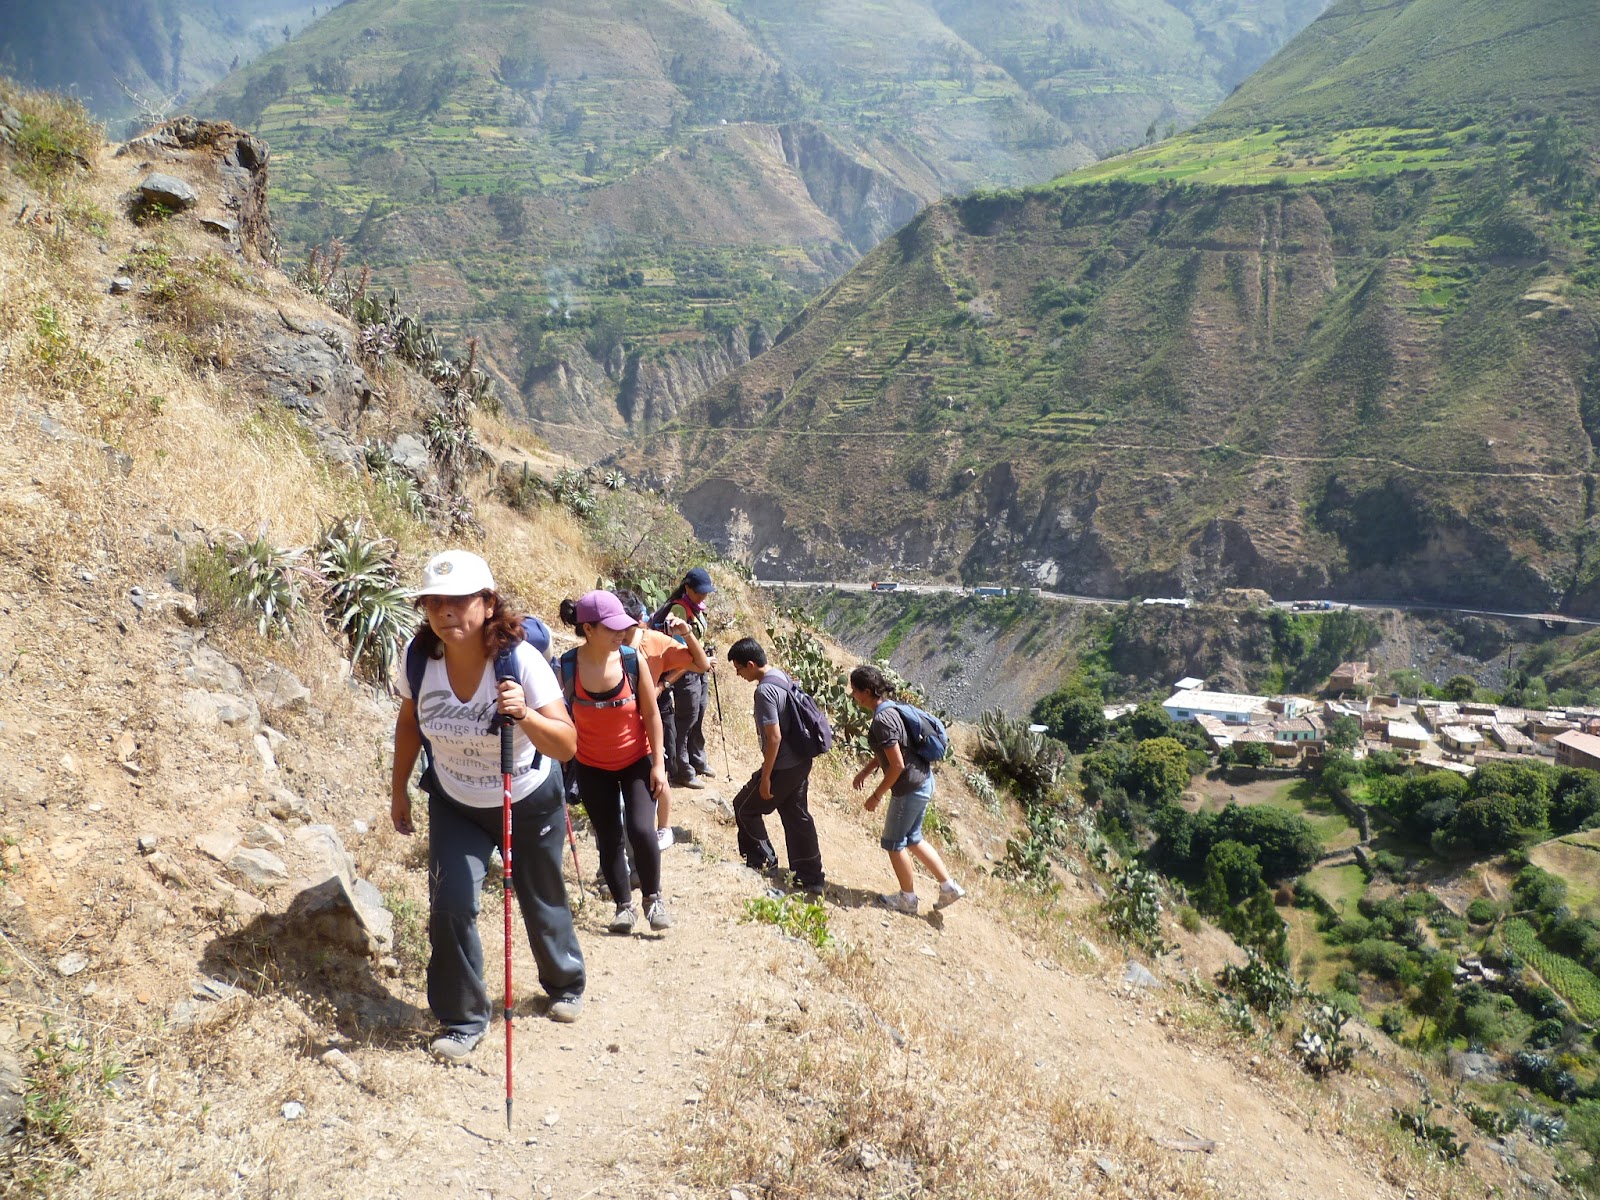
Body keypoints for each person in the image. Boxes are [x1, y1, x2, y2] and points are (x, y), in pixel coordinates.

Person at [391, 551, 585, 1064]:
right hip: (456, 800)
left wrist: (523, 716)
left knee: (539, 894)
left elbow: (566, 745)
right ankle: (462, 1018)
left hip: (525, 796)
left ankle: (566, 983)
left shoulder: (520, 661)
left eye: (459, 601)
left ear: (487, 603)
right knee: (451, 904)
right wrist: (398, 790)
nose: (446, 612)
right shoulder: (418, 658)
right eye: (435, 602)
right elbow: (410, 723)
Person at [558, 590, 673, 934]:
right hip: (592, 766)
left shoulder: (631, 660)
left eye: (623, 626)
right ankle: (624, 907)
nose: (621, 633)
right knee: (608, 838)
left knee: (640, 829)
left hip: (636, 760)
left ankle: (653, 899)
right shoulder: (566, 667)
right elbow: (561, 716)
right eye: (612, 628)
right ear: (589, 629)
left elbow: (652, 714)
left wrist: (658, 765)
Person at [848, 664, 964, 916]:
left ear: (867, 691)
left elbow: (897, 764)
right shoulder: (892, 708)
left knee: (893, 843)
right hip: (923, 780)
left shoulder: (882, 719)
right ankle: (948, 887)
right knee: (913, 838)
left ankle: (907, 899)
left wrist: (876, 795)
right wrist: (866, 771)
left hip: (909, 787)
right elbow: (892, 751)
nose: (852, 695)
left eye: (855, 690)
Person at [727, 638, 825, 894]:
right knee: (796, 816)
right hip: (801, 762)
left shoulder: (764, 692)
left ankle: (763, 862)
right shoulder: (780, 675)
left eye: (739, 669)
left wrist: (766, 776)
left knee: (744, 807)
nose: (738, 675)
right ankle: (810, 876)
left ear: (750, 664)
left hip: (783, 767)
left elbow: (774, 737)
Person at [615, 590, 709, 850]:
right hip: (621, 720)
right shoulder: (607, 644)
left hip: (656, 713)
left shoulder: (655, 641)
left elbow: (701, 664)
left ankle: (664, 827)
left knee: (660, 771)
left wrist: (687, 633)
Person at [660, 567, 716, 788]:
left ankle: (697, 759)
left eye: (706, 592)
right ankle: (682, 770)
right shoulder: (679, 611)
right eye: (700, 591)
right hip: (686, 673)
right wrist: (702, 661)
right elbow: (680, 650)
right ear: (687, 588)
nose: (704, 595)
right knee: (686, 719)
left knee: (699, 714)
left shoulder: (697, 607)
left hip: (699, 670)